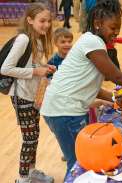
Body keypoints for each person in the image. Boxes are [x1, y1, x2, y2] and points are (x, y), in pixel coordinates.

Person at [40, 0, 122, 179]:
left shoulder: (92, 41)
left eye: (118, 28)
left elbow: (89, 84)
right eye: (113, 27)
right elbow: (115, 76)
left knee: (81, 160)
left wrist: (112, 98)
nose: (116, 32)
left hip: (59, 108)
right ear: (98, 24)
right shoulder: (92, 41)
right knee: (79, 163)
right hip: (64, 111)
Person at [0, 3, 55, 183]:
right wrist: (35, 72)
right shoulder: (23, 39)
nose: (46, 25)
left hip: (33, 95)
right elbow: (6, 68)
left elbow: (29, 64)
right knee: (29, 138)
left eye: (48, 21)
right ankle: (22, 179)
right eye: (42, 21)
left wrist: (44, 67)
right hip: (21, 96)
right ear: (30, 20)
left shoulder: (39, 38)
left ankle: (31, 172)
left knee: (34, 135)